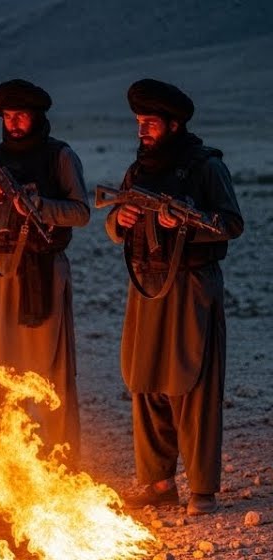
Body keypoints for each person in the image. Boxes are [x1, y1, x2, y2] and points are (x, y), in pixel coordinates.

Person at [103, 79, 243, 516]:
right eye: (139, 123)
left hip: (191, 289)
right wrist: (121, 220)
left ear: (175, 124)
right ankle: (157, 482)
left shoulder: (206, 166)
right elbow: (114, 224)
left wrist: (181, 224)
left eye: (150, 123)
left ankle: (202, 490)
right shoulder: (138, 170)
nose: (142, 131)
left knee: (193, 386)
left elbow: (231, 224)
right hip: (146, 289)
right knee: (144, 381)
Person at [0, 79, 89, 462]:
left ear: (37, 117)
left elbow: (80, 212)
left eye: (22, 115)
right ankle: (6, 459)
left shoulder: (60, 156)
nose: (15, 122)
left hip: (44, 272)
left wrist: (39, 205)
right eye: (8, 116)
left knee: (50, 373)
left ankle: (61, 461)